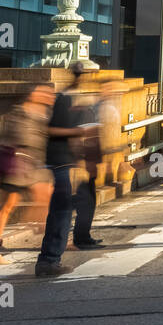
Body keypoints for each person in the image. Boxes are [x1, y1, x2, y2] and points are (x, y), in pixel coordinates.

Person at [35, 69, 100, 278]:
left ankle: (51, 259)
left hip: (67, 164)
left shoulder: (76, 102)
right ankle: (49, 261)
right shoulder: (64, 101)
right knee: (61, 213)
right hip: (61, 164)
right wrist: (79, 133)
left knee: (62, 212)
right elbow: (51, 130)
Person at [0, 85, 53, 264]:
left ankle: (43, 229)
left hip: (29, 166)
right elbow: (20, 137)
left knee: (46, 196)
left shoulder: (41, 112)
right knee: (7, 206)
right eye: (42, 93)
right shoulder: (20, 112)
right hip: (18, 167)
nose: (47, 96)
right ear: (32, 95)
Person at [71, 71, 108, 252]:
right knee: (84, 203)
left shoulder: (88, 111)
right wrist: (86, 164)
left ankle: (83, 236)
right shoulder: (83, 112)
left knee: (88, 202)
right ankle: (80, 237)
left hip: (88, 164)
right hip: (84, 166)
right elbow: (85, 140)